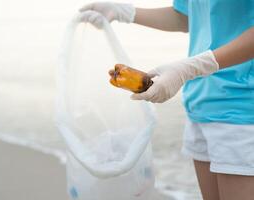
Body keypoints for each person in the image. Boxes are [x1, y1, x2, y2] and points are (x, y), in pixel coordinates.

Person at [78, 1, 254, 200]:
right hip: (201, 102)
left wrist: (191, 68)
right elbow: (185, 16)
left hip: (243, 108)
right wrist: (126, 12)